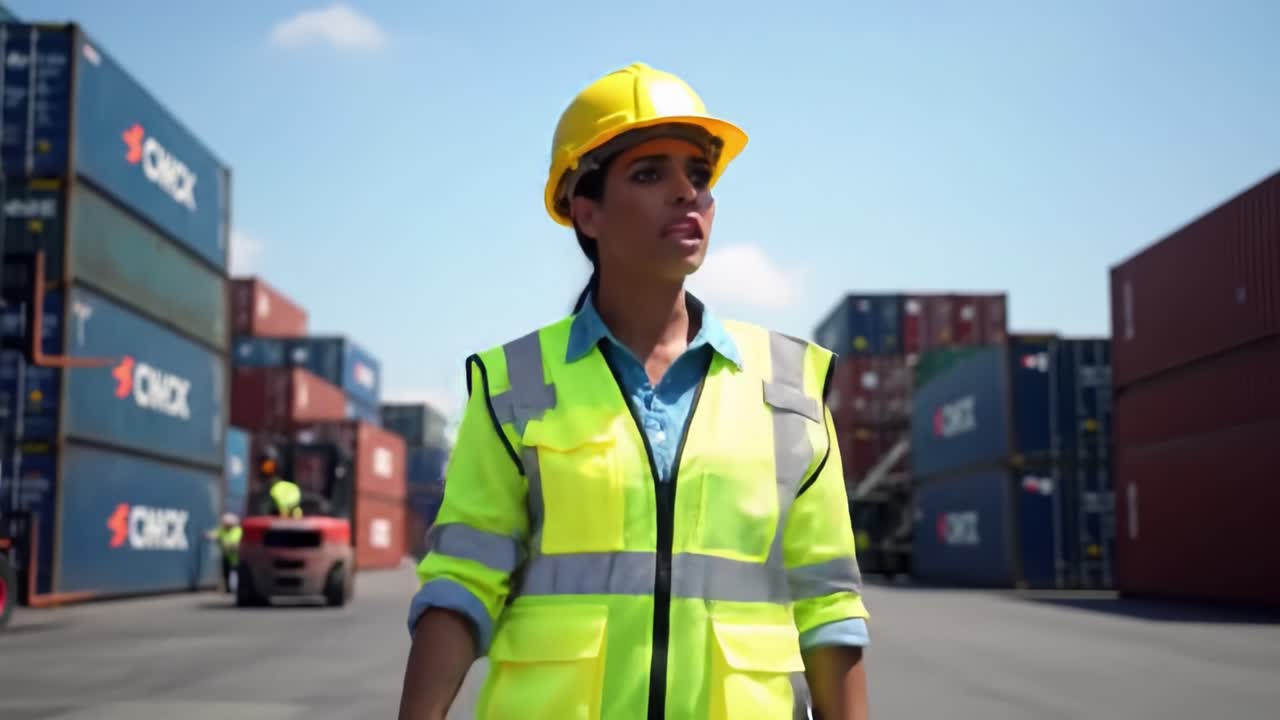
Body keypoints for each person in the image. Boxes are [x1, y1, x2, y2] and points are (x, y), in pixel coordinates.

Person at [398, 62, 871, 720]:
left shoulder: (787, 387)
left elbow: (829, 607)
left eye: (699, 175)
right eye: (650, 174)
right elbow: (460, 585)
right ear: (584, 211)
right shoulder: (515, 384)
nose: (688, 194)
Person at [259, 446, 303, 519]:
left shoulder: (289, 489)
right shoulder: (261, 490)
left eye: (269, 466)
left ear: (277, 465)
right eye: (263, 466)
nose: (265, 469)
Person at [207, 513, 242, 593]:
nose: (225, 524)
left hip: (237, 558)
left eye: (227, 523)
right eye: (224, 523)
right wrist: (210, 536)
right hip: (227, 557)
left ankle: (236, 590)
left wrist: (229, 545)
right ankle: (228, 589)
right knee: (226, 573)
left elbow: (236, 545)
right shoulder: (222, 530)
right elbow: (214, 535)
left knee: (236, 574)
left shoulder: (238, 531)